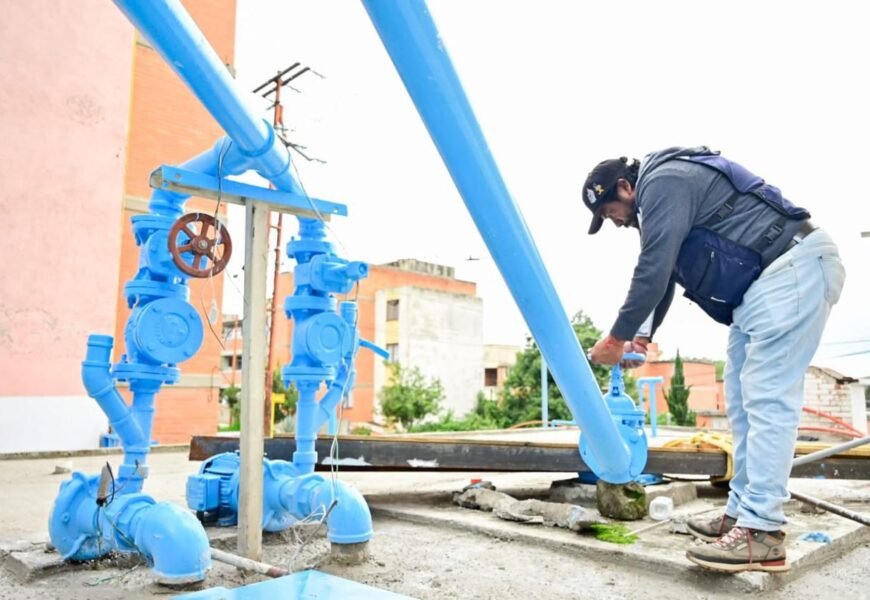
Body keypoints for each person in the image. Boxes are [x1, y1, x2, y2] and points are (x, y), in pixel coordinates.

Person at [583, 146, 846, 573]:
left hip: (790, 270)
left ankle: (763, 533)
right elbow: (663, 270)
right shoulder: (660, 198)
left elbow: (653, 266)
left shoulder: (663, 181)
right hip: (766, 286)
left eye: (610, 210)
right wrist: (641, 338)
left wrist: (616, 338)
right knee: (743, 405)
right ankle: (742, 515)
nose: (613, 222)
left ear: (625, 187)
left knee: (768, 402)